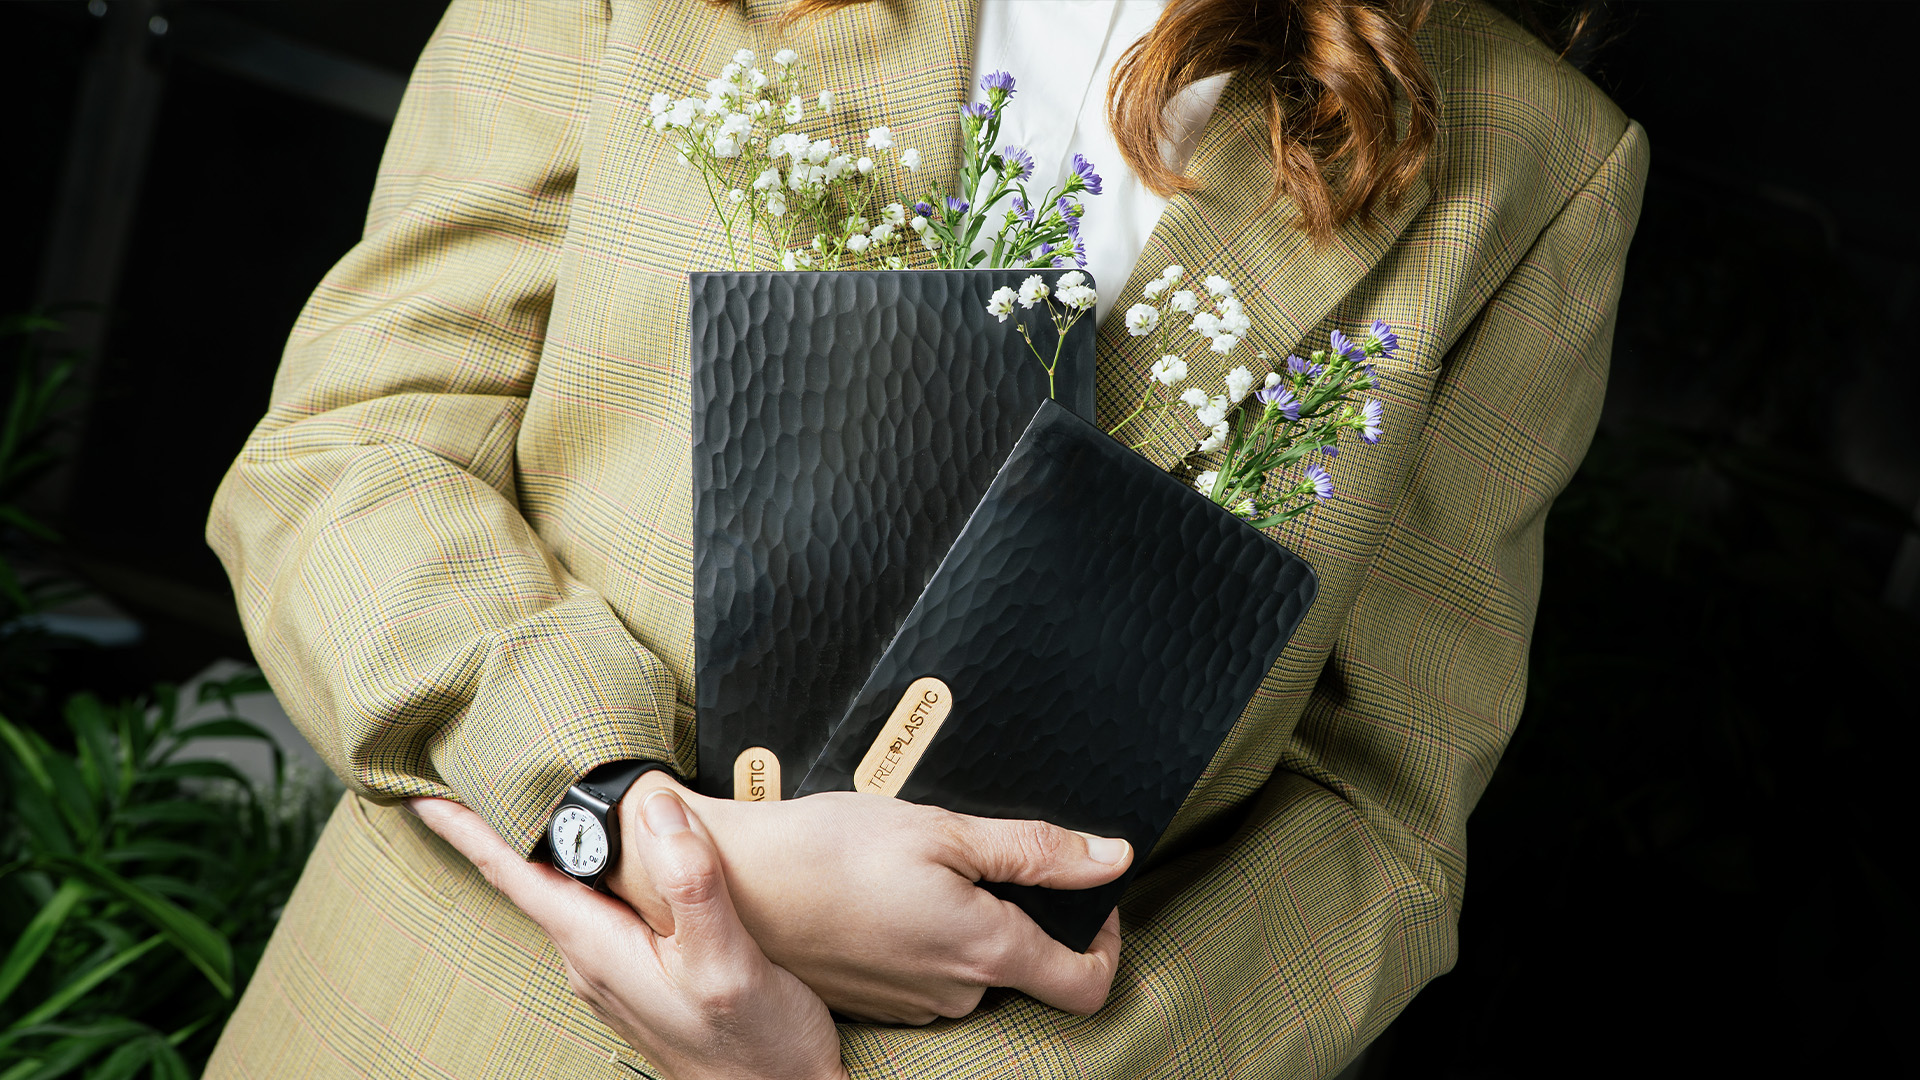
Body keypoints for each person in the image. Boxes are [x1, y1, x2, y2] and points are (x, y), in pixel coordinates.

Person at [203, 0, 1647, 1076]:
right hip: (426, 1026)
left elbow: (1378, 821)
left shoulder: (1529, 169)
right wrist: (641, 834)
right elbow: (359, 449)